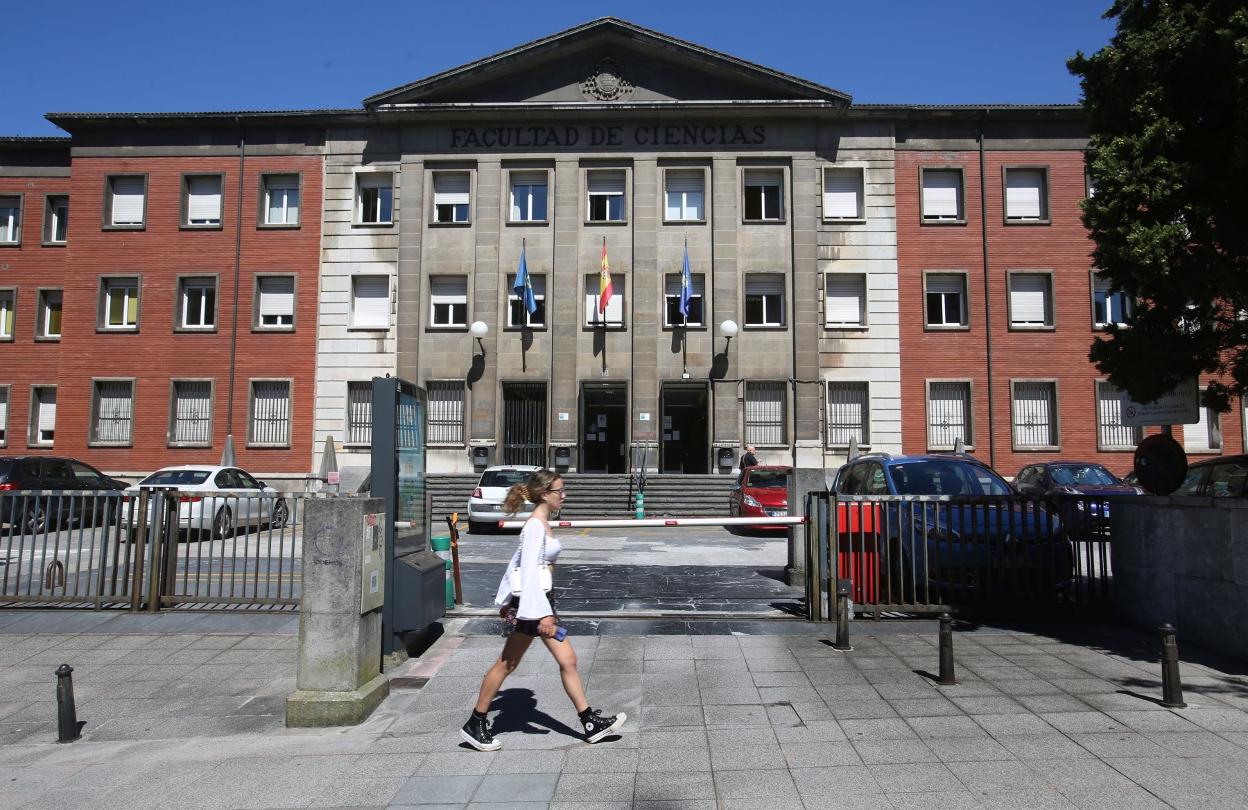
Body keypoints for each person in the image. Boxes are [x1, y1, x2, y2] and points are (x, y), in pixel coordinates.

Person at [460, 469, 626, 751]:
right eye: (559, 491)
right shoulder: (536, 525)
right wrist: (543, 615)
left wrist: (511, 602)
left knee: (566, 660)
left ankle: (588, 722)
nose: (564, 495)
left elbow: (517, 563)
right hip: (535, 607)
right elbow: (527, 571)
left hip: (539, 604)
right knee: (507, 664)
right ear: (544, 494)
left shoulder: (541, 522)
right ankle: (475, 723)